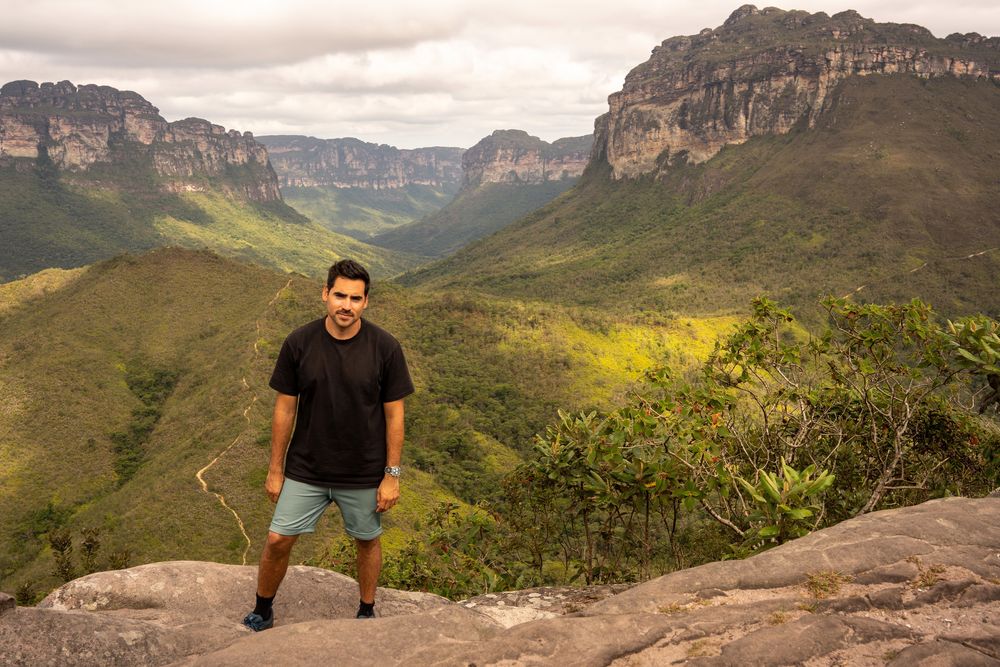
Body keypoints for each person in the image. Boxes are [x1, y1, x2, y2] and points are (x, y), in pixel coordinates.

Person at [242, 259, 414, 630]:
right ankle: (263, 608)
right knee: (276, 540)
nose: (346, 305)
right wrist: (275, 469)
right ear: (325, 294)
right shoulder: (299, 343)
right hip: (307, 468)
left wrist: (392, 475)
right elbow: (284, 410)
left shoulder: (385, 347)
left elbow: (394, 417)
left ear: (366, 301)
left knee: (367, 541)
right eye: (339, 295)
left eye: (355, 298)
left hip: (364, 471)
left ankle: (366, 611)